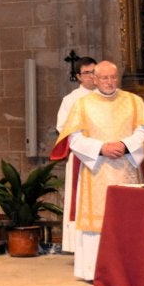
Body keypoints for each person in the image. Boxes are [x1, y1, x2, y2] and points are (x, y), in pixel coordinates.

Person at [51, 61, 144, 282]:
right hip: (96, 170)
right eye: (104, 78)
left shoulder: (134, 102)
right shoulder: (82, 104)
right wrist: (101, 148)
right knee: (96, 221)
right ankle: (93, 271)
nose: (109, 82)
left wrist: (125, 145)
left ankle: (129, 270)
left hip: (126, 167)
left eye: (113, 77)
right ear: (94, 80)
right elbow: (74, 138)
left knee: (127, 220)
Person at [56, 57, 97, 254]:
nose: (92, 77)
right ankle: (80, 247)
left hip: (107, 157)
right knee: (81, 201)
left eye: (94, 72)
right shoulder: (71, 100)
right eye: (87, 73)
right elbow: (63, 129)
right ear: (79, 76)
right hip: (83, 157)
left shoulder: (109, 97)